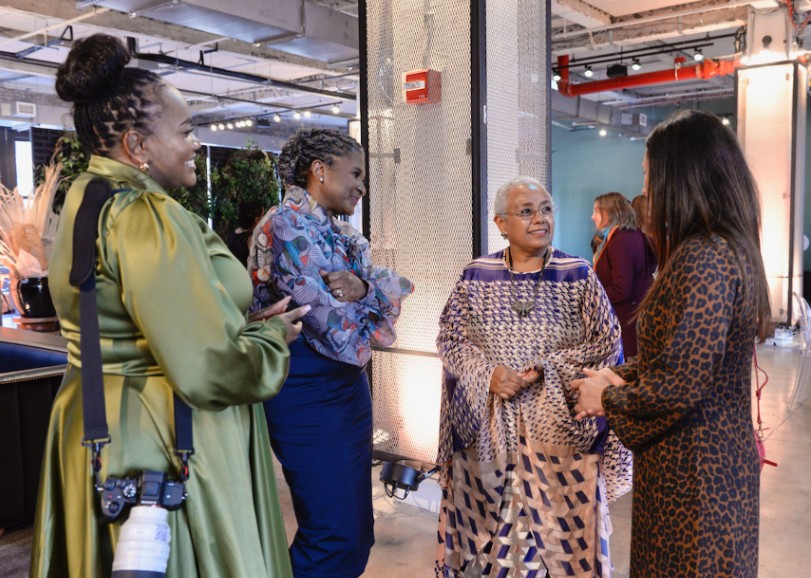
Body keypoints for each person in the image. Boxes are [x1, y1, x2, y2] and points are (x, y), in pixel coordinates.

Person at [32, 33, 308, 578]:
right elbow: (206, 371)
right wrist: (268, 342)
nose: (196, 144)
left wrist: (228, 320)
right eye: (185, 130)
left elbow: (129, 318)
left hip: (98, 423)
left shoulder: (86, 197)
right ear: (137, 146)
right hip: (161, 435)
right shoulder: (144, 214)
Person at [572, 110, 770, 578]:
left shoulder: (705, 255)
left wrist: (607, 396)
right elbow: (681, 357)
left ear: (680, 176)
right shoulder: (722, 247)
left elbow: (681, 383)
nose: (646, 190)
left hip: (697, 478)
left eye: (648, 174)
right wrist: (619, 374)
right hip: (699, 469)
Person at [436, 176, 633, 578]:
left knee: (563, 551)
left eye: (546, 209)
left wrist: (548, 368)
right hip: (488, 439)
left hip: (560, 438)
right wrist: (488, 374)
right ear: (501, 223)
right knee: (491, 551)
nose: (539, 219)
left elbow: (608, 343)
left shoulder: (576, 273)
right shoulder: (476, 275)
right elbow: (450, 338)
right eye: (526, 211)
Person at [248, 128, 414, 578]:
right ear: (319, 171)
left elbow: (395, 290)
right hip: (305, 388)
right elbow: (335, 329)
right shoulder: (284, 225)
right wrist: (371, 292)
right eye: (355, 173)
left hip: (347, 388)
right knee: (332, 534)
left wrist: (361, 287)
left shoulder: (341, 234)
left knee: (357, 529)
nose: (361, 186)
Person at [590, 192, 657, 358]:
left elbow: (621, 288)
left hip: (626, 319)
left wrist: (592, 299)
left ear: (610, 212)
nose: (592, 217)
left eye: (596, 211)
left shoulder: (621, 241)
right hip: (632, 314)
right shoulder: (630, 235)